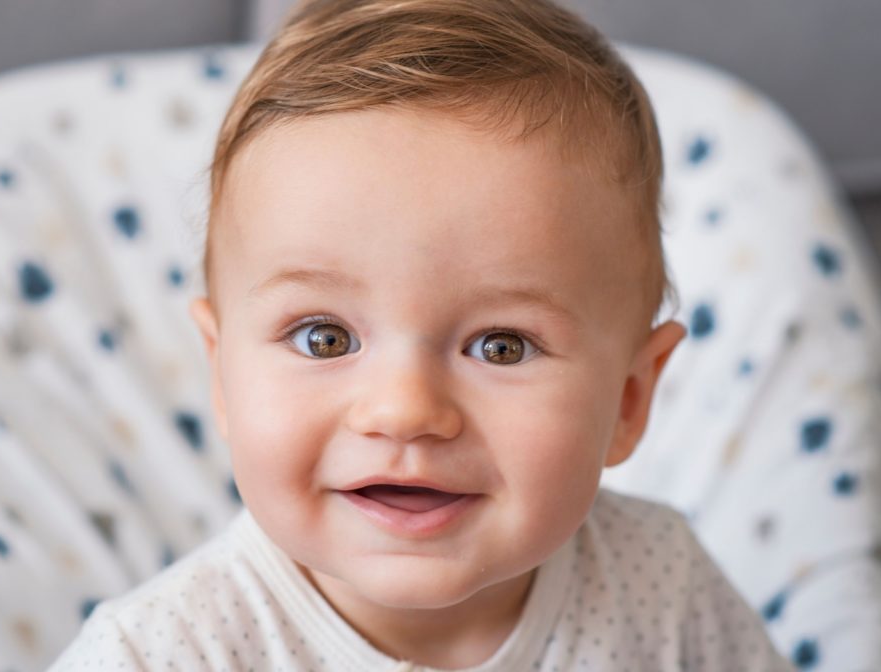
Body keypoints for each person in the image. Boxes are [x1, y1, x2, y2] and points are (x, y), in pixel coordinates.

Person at [51, 0, 793, 668]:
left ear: (629, 401)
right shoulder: (162, 655)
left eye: (502, 345)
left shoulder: (662, 588)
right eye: (325, 339)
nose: (405, 410)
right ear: (222, 376)